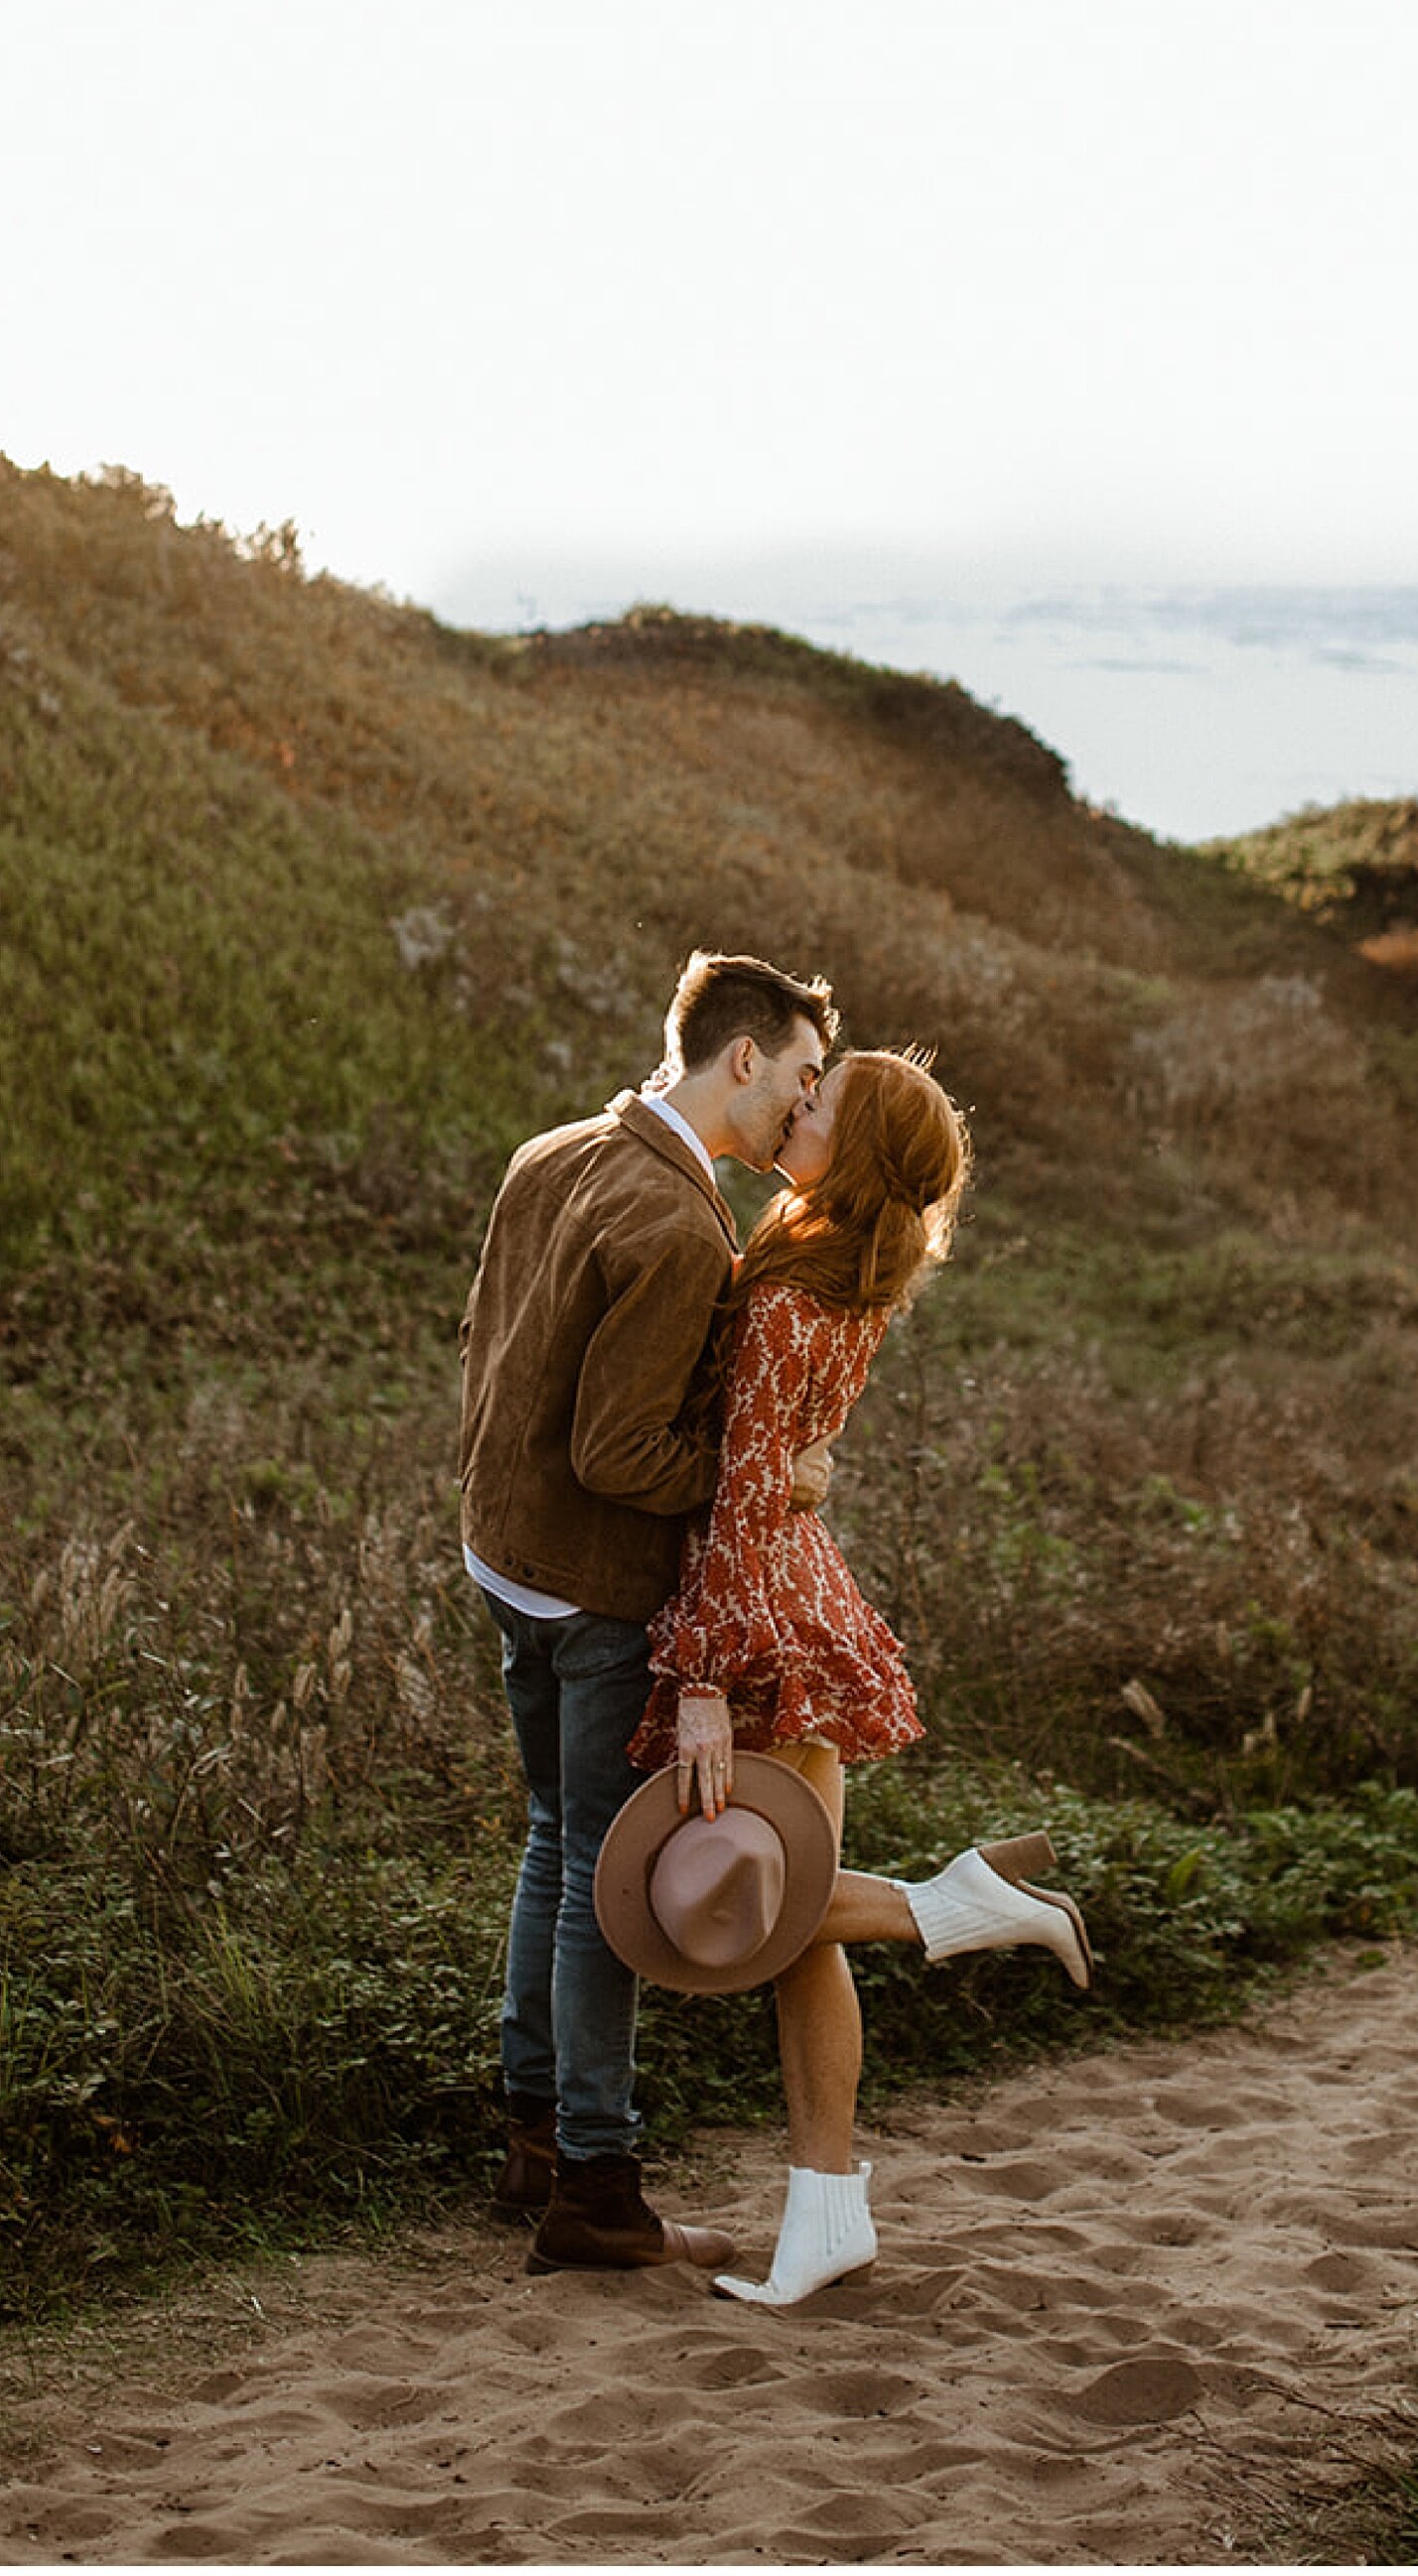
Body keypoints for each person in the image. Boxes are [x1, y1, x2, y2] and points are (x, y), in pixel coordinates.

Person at [628, 1046, 1093, 2309]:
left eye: (820, 1103)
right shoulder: (841, 1268)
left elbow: (736, 1490)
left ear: (864, 1151)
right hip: (799, 1584)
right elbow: (788, 1459)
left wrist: (708, 1674)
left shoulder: (788, 1294)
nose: (797, 1103)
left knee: (765, 1912)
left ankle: (959, 1902)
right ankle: (827, 2216)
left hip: (760, 1604)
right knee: (791, 1926)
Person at [458, 946, 836, 2275]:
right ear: (744, 1057)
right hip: (589, 1588)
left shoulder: (553, 1151)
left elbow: (491, 1349)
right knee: (601, 1887)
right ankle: (597, 2182)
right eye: (799, 1076)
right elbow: (624, 1456)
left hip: (501, 1556)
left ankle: (532, 2133)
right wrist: (767, 1480)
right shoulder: (682, 1228)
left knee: (554, 1840)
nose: (804, 1104)